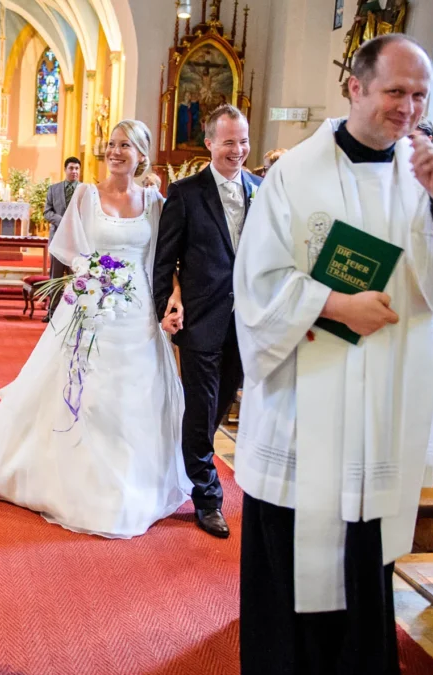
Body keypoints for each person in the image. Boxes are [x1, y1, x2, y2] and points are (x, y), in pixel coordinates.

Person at [232, 35, 433, 674]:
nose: (408, 109)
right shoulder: (295, 173)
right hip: (306, 405)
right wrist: (334, 305)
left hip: (381, 410)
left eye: (419, 96)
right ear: (354, 87)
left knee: (365, 563)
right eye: (395, 92)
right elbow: (258, 286)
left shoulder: (423, 172)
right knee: (293, 562)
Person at [0, 120, 191, 538]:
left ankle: (132, 481)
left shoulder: (155, 202)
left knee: (135, 393)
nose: (116, 152)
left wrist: (170, 295)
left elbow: (164, 258)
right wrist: (87, 286)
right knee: (86, 390)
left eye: (126, 145)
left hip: (138, 312)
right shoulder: (86, 195)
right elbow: (67, 250)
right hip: (89, 301)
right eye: (111, 144)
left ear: (142, 154)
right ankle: (76, 478)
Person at [153, 103, 263, 538]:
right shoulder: (185, 193)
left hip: (247, 322)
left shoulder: (262, 188)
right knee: (201, 408)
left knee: (218, 406)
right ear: (210, 143)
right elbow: (165, 260)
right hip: (201, 317)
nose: (238, 150)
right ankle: (208, 497)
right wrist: (167, 305)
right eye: (229, 141)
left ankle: (186, 460)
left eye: (244, 140)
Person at [42, 156, 82, 321]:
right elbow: (47, 212)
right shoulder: (54, 189)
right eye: (71, 168)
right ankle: (52, 311)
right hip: (58, 238)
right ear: (65, 170)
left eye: (77, 169)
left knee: (77, 277)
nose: (74, 171)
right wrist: (63, 221)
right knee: (56, 277)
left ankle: (75, 314)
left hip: (77, 241)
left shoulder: (86, 189)